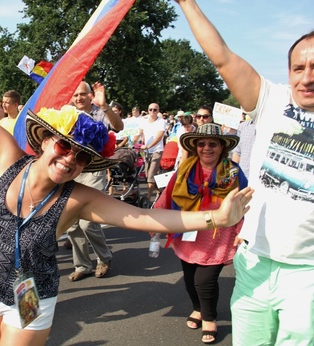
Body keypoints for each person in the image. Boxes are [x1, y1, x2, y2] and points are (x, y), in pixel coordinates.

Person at [0, 6, 252, 345]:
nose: (70, 160)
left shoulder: (78, 198)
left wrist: (216, 217)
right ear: (47, 140)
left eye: (81, 157)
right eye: (65, 147)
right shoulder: (9, 158)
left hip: (30, 296)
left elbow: (144, 218)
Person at [175, 1, 314, 344]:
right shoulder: (272, 100)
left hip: (307, 271)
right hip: (253, 261)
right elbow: (220, 55)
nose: (307, 77)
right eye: (299, 68)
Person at [154, 123, 247, 344]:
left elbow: (244, 203)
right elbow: (168, 195)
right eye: (202, 143)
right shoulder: (185, 169)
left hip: (218, 236)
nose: (207, 148)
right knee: (189, 279)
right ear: (195, 147)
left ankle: (209, 318)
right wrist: (155, 220)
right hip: (189, 231)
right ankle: (197, 308)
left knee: (204, 280)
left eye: (212, 144)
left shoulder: (233, 172)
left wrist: (243, 231)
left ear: (222, 147)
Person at [65, 80, 123, 282]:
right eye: (75, 95)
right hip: (71, 170)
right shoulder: (67, 114)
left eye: (82, 94)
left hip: (94, 170)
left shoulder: (99, 112)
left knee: (88, 222)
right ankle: (83, 265)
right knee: (71, 224)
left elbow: (118, 126)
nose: (79, 98)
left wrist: (105, 106)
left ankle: (104, 257)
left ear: (90, 95)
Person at [134, 103, 166, 201]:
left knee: (151, 175)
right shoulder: (144, 122)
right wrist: (134, 142)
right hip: (147, 152)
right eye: (150, 109)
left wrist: (148, 146)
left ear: (158, 111)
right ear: (148, 110)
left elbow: (159, 137)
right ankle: (161, 191)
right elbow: (138, 133)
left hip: (157, 150)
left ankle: (147, 199)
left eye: (155, 110)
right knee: (149, 176)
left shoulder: (162, 122)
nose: (152, 111)